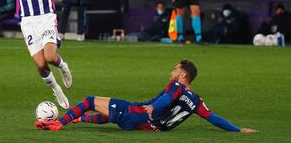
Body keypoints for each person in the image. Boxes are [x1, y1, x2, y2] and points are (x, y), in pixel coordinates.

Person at [35, 60, 257, 133]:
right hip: (146, 124)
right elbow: (213, 117)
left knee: (90, 101)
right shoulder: (195, 100)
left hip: (138, 114)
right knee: (109, 113)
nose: (172, 71)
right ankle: (78, 119)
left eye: (175, 68)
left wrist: (152, 107)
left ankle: (58, 123)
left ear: (183, 74)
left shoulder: (176, 86)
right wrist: (237, 129)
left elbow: (166, 99)